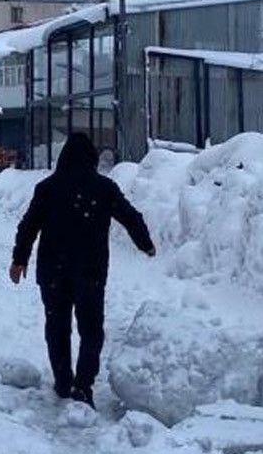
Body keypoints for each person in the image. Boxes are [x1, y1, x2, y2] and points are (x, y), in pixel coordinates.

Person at [10, 133, 155, 406]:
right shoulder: (103, 188)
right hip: (90, 271)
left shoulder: (47, 188)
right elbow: (130, 216)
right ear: (92, 159)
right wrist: (145, 244)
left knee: (57, 326)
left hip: (53, 271)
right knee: (91, 329)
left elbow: (28, 226)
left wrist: (19, 260)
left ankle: (64, 382)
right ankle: (84, 384)